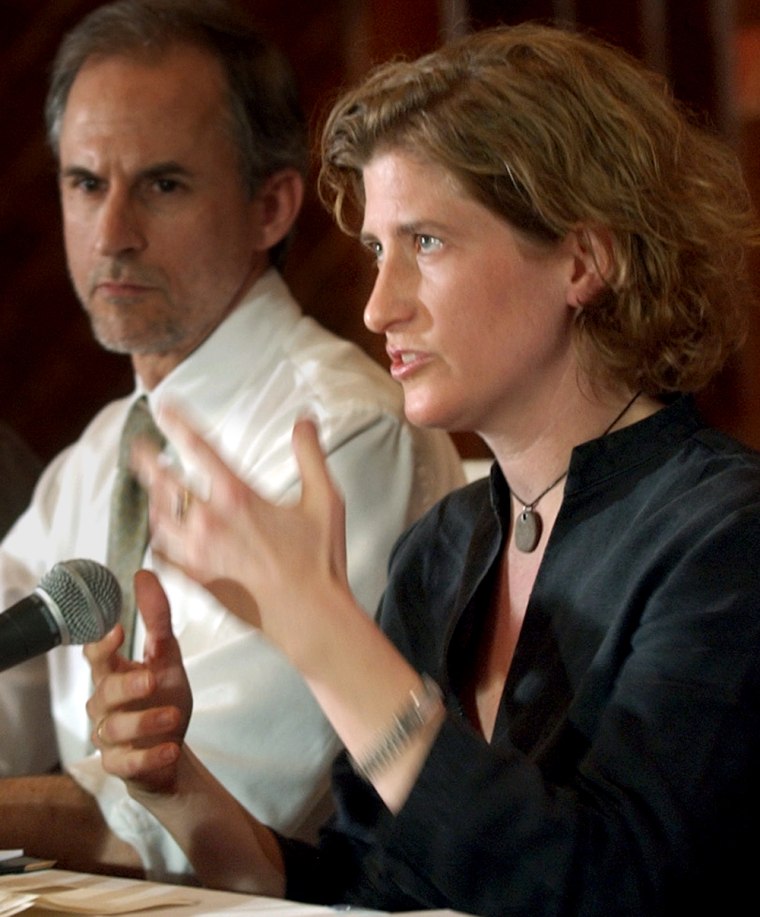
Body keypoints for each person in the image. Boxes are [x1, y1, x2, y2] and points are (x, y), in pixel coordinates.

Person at [86, 20, 760, 916]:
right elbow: (368, 892)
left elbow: (607, 886)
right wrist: (178, 788)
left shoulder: (728, 536)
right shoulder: (443, 545)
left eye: (428, 243)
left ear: (584, 260)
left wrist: (323, 634)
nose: (378, 305)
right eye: (376, 250)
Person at [0, 0, 464, 882]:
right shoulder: (96, 456)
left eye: (162, 185)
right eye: (85, 183)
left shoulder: (340, 435)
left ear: (272, 206)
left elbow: (225, 803)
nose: (111, 234)